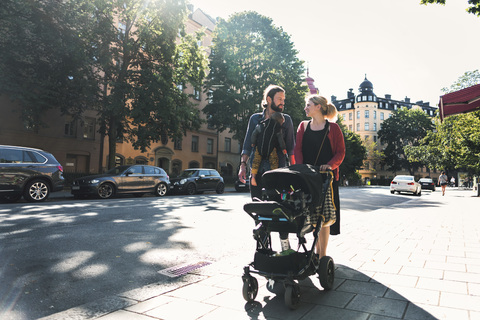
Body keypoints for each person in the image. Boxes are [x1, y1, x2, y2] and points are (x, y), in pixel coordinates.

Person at [239, 85, 296, 251]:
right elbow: (247, 145)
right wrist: (243, 165)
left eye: (283, 100)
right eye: (279, 99)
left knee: (280, 209)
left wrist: (293, 169)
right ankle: (263, 248)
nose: (282, 103)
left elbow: (290, 147)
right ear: (269, 99)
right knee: (259, 209)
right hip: (256, 172)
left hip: (279, 173)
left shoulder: (287, 120)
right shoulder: (254, 119)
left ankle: (285, 247)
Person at [294, 94, 345, 258]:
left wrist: (330, 165)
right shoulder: (303, 126)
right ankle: (316, 252)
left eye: (308, 104)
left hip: (327, 179)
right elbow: (298, 150)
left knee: (324, 216)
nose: (305, 108)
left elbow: (340, 152)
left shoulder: (334, 128)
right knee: (312, 216)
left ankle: (322, 255)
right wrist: (301, 169)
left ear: (318, 106)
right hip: (308, 177)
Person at [250, 111, 287, 187]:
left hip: (259, 147)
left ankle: (253, 177)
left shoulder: (262, 124)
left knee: (256, 162)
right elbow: (280, 139)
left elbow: (254, 133)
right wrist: (283, 148)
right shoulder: (277, 128)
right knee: (274, 161)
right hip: (271, 149)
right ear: (279, 121)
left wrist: (253, 142)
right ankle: (273, 176)